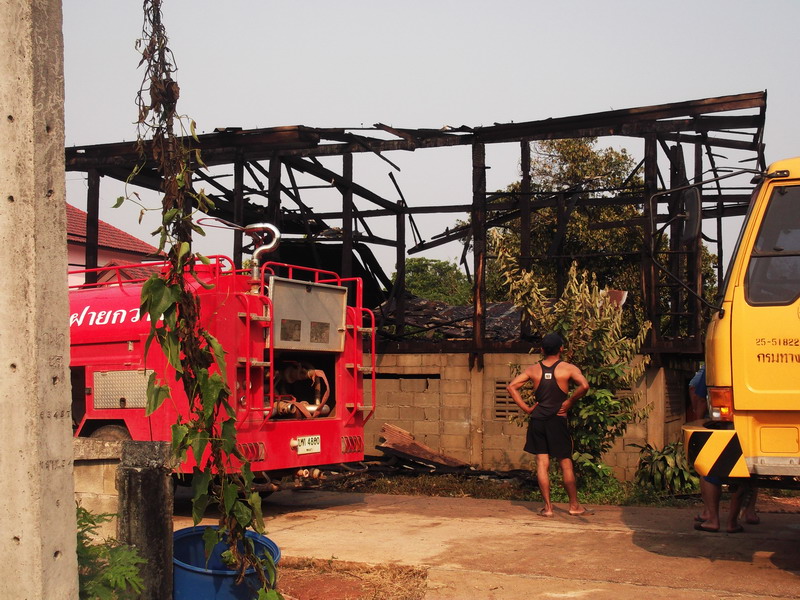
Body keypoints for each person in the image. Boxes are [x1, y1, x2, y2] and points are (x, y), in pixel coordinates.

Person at [507, 332, 591, 517]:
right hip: (557, 420)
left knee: (541, 463)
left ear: (542, 350)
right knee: (565, 463)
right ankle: (574, 506)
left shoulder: (533, 370)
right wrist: (569, 402)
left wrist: (527, 409)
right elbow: (584, 386)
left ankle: (548, 508)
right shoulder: (568, 368)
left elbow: (511, 386)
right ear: (561, 348)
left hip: (538, 420)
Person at [689, 365, 760, 532]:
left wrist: (699, 423)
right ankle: (732, 522)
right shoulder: (756, 365)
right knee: (744, 474)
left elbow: (700, 397)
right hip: (750, 425)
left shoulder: (716, 364)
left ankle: (712, 519)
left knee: (709, 473)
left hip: (723, 425)